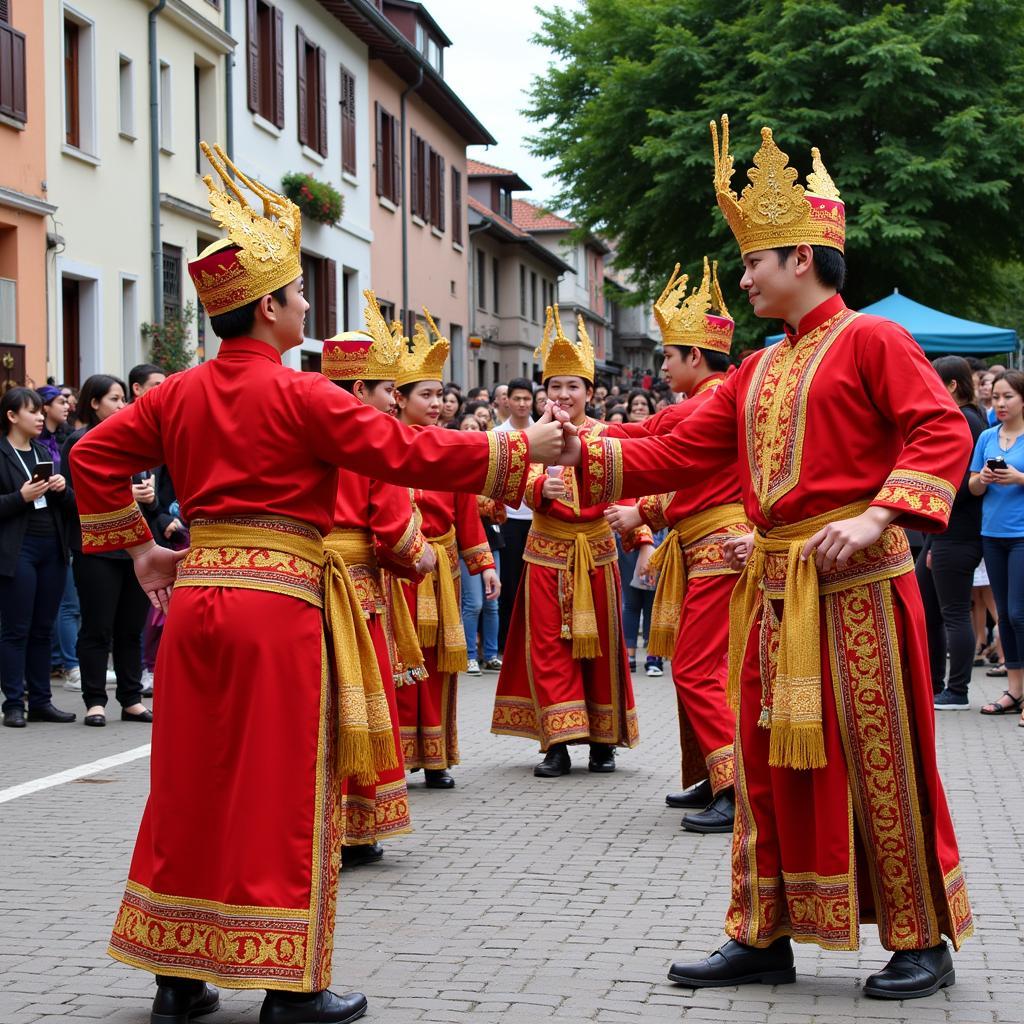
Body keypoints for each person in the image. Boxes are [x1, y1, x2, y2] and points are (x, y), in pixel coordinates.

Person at [67, 145, 561, 1024]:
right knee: (283, 784)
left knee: (187, 782)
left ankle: (178, 978)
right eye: (299, 295)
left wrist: (142, 550)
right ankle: (290, 984)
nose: (307, 307)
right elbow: (412, 452)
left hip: (198, 602)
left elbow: (93, 454)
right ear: (268, 307)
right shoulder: (305, 397)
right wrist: (521, 450)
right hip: (279, 606)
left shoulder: (175, 394)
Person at [571, 118, 973, 998]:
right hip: (778, 587)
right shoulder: (755, 370)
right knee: (760, 759)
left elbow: (941, 429)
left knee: (883, 756)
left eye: (755, 261)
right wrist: (581, 448)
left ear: (802, 259)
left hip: (862, 585)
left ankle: (920, 940)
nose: (743, 276)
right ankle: (763, 932)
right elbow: (675, 450)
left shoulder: (873, 340)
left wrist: (877, 518)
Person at [603, 258, 748, 833]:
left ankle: (734, 784)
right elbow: (650, 436)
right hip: (705, 543)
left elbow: (667, 459)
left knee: (696, 666)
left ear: (695, 355)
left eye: (668, 355)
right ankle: (715, 775)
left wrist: (639, 504)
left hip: (719, 543)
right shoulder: (703, 403)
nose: (661, 365)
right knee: (705, 666)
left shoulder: (709, 404)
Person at [493, 306, 649, 777]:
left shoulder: (607, 436)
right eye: (555, 386)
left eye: (573, 386)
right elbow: (512, 485)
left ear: (590, 392)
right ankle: (558, 741)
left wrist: (642, 539)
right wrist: (540, 489)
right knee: (547, 646)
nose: (564, 394)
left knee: (601, 646)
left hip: (597, 553)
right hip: (546, 552)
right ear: (544, 392)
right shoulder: (531, 437)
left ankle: (603, 741)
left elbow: (631, 488)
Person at [320, 295, 434, 869]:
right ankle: (357, 830)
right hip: (359, 591)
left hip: (305, 587)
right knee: (360, 704)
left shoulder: (304, 425)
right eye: (389, 388)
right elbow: (392, 530)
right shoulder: (373, 438)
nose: (396, 399)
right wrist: (423, 557)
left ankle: (316, 825)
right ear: (361, 390)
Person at [394, 314, 500, 786]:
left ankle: (436, 757)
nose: (437, 405)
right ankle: (397, 752)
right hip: (396, 569)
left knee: (440, 664)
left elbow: (466, 511)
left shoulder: (452, 445)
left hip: (442, 567)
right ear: (399, 398)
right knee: (400, 659)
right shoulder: (382, 443)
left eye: (440, 395)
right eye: (426, 395)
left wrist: (484, 564)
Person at [62, 375, 153, 729]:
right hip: (96, 548)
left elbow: (153, 496)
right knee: (97, 627)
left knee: (131, 627)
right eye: (114, 399)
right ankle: (94, 700)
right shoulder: (79, 442)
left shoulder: (133, 441)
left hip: (136, 546)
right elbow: (68, 497)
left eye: (122, 399)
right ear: (94, 403)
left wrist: (148, 496)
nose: (121, 405)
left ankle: (130, 698)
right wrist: (124, 498)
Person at [0, 387, 77, 728]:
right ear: (12, 416)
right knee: (16, 629)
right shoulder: (1, 454)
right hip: (19, 550)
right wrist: (20, 496)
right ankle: (14, 703)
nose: (40, 417)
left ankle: (42, 700)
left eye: (40, 412)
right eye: (32, 411)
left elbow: (71, 505)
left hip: (52, 548)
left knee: (43, 629)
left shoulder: (45, 452)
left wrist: (61, 488)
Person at [916, 357, 987, 709]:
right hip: (944, 529)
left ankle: (956, 690)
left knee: (953, 610)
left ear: (953, 385)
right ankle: (932, 683)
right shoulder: (968, 418)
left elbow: (959, 481)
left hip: (957, 531)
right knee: (930, 608)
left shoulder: (966, 419)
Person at [968, 369, 1024, 723]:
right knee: (1003, 615)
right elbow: (972, 486)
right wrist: (983, 478)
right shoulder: (987, 436)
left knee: (1019, 614)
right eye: (997, 397)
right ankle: (1014, 692)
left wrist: (1019, 477)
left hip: (1021, 536)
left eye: (1008, 397)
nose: (1000, 403)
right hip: (992, 535)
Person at [38, 385, 81, 692]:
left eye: (67, 401)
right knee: (65, 605)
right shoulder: (35, 445)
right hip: (38, 529)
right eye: (60, 401)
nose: (66, 406)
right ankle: (69, 664)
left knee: (63, 603)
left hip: (61, 526)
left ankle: (62, 661)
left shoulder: (60, 440)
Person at [495, 378, 534, 652]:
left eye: (526, 399)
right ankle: (508, 645)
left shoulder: (542, 430)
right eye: (517, 398)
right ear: (507, 400)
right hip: (508, 518)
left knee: (533, 583)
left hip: (537, 518)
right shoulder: (498, 433)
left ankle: (532, 641)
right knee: (509, 584)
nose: (522, 404)